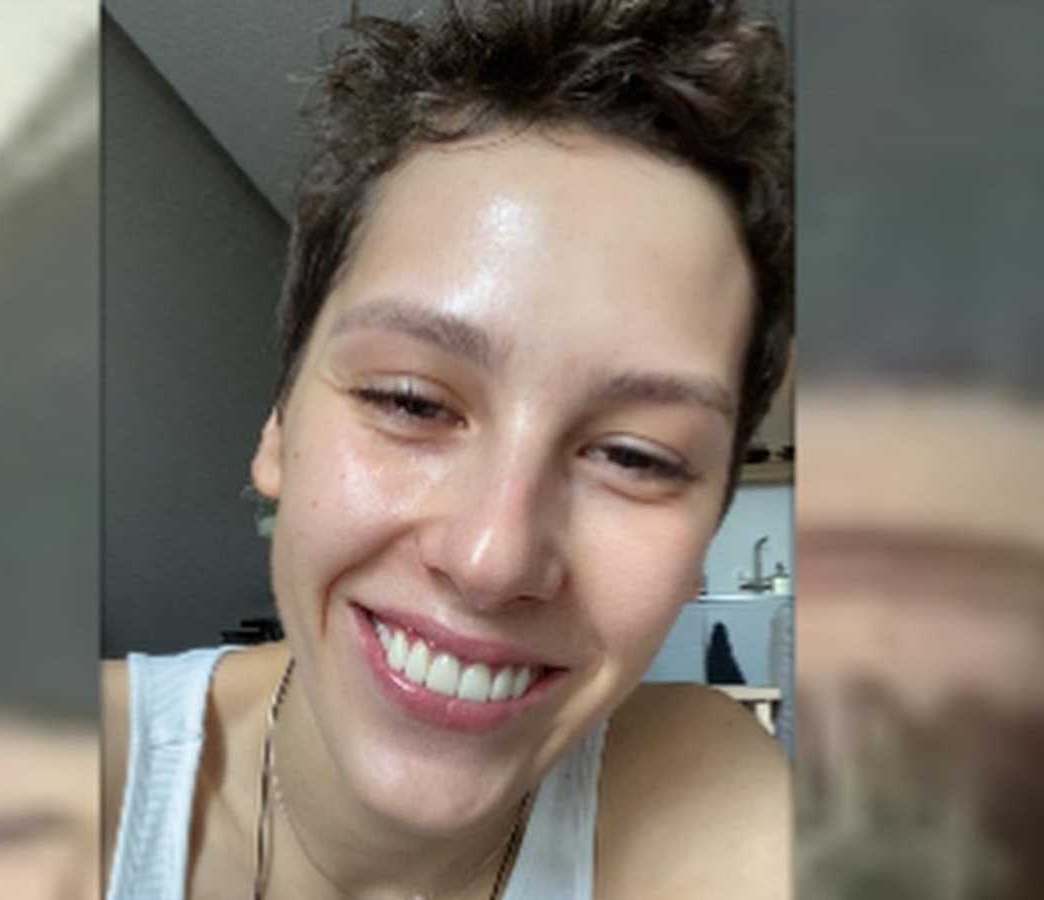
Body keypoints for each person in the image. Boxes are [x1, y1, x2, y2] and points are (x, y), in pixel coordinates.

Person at [102, 1, 793, 898]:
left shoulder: (707, 797)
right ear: (280, 424)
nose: (490, 560)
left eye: (637, 457)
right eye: (410, 401)